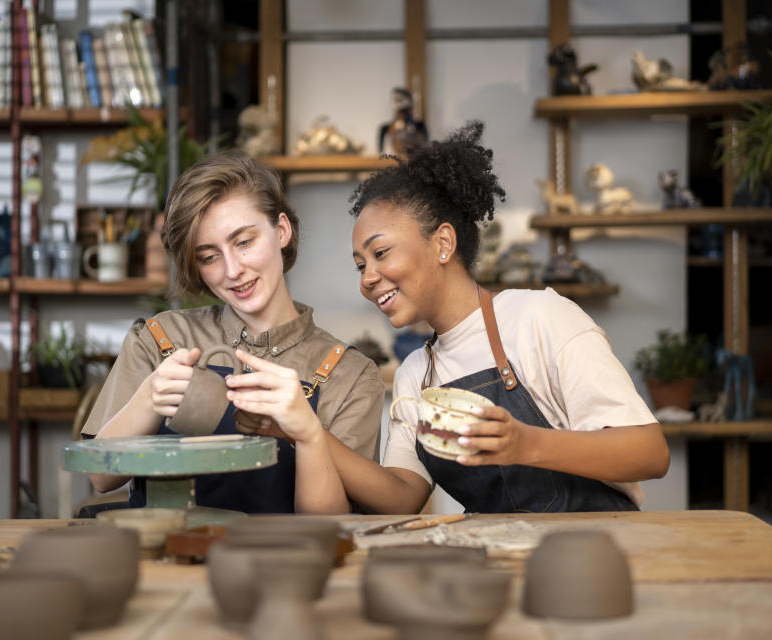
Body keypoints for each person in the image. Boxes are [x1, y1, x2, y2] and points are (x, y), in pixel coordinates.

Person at [239, 121, 669, 513]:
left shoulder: (538, 318)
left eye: (381, 253)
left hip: (593, 558)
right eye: (359, 264)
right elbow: (402, 495)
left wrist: (526, 443)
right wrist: (303, 430)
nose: (368, 278)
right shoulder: (416, 375)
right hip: (498, 565)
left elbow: (649, 452)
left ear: (443, 243)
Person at [82, 150, 384, 514]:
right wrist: (150, 397)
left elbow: (329, 526)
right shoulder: (158, 338)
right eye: (209, 257)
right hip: (167, 565)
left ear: (282, 231)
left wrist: (307, 433)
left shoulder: (349, 375)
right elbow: (100, 479)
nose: (232, 270)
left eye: (244, 242)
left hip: (282, 567)